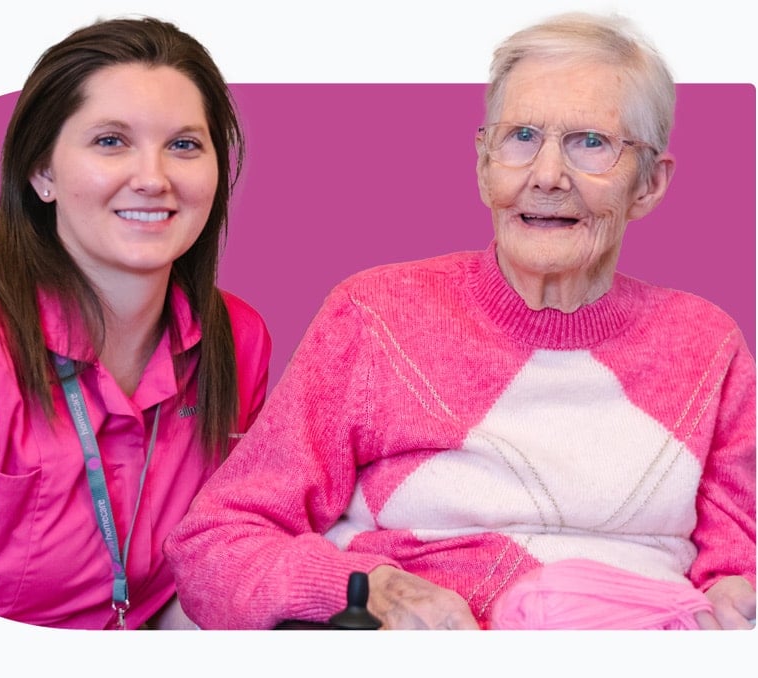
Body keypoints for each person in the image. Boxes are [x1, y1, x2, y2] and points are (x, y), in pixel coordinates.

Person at [164, 12, 755, 630]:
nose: (547, 176)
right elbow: (216, 545)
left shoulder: (707, 346)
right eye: (521, 136)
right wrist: (371, 590)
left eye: (591, 143)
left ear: (649, 185)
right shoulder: (377, 317)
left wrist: (734, 603)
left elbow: (737, 569)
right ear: (483, 164)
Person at [0, 17, 271, 630]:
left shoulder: (236, 337)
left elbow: (220, 544)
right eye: (111, 141)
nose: (153, 178)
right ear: (42, 173)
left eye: (184, 145)